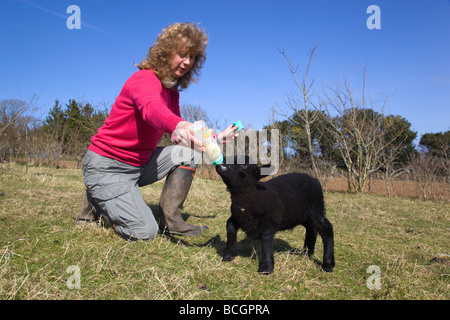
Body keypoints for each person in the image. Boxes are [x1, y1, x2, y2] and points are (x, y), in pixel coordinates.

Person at [76, 22, 238, 241]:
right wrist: (179, 126)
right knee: (144, 232)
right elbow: (152, 109)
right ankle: (98, 199)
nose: (187, 62)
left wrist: (215, 139)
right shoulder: (143, 79)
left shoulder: (172, 93)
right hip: (107, 165)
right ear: (165, 52)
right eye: (182, 54)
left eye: (192, 58)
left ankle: (171, 223)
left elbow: (184, 136)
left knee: (189, 153)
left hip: (138, 165)